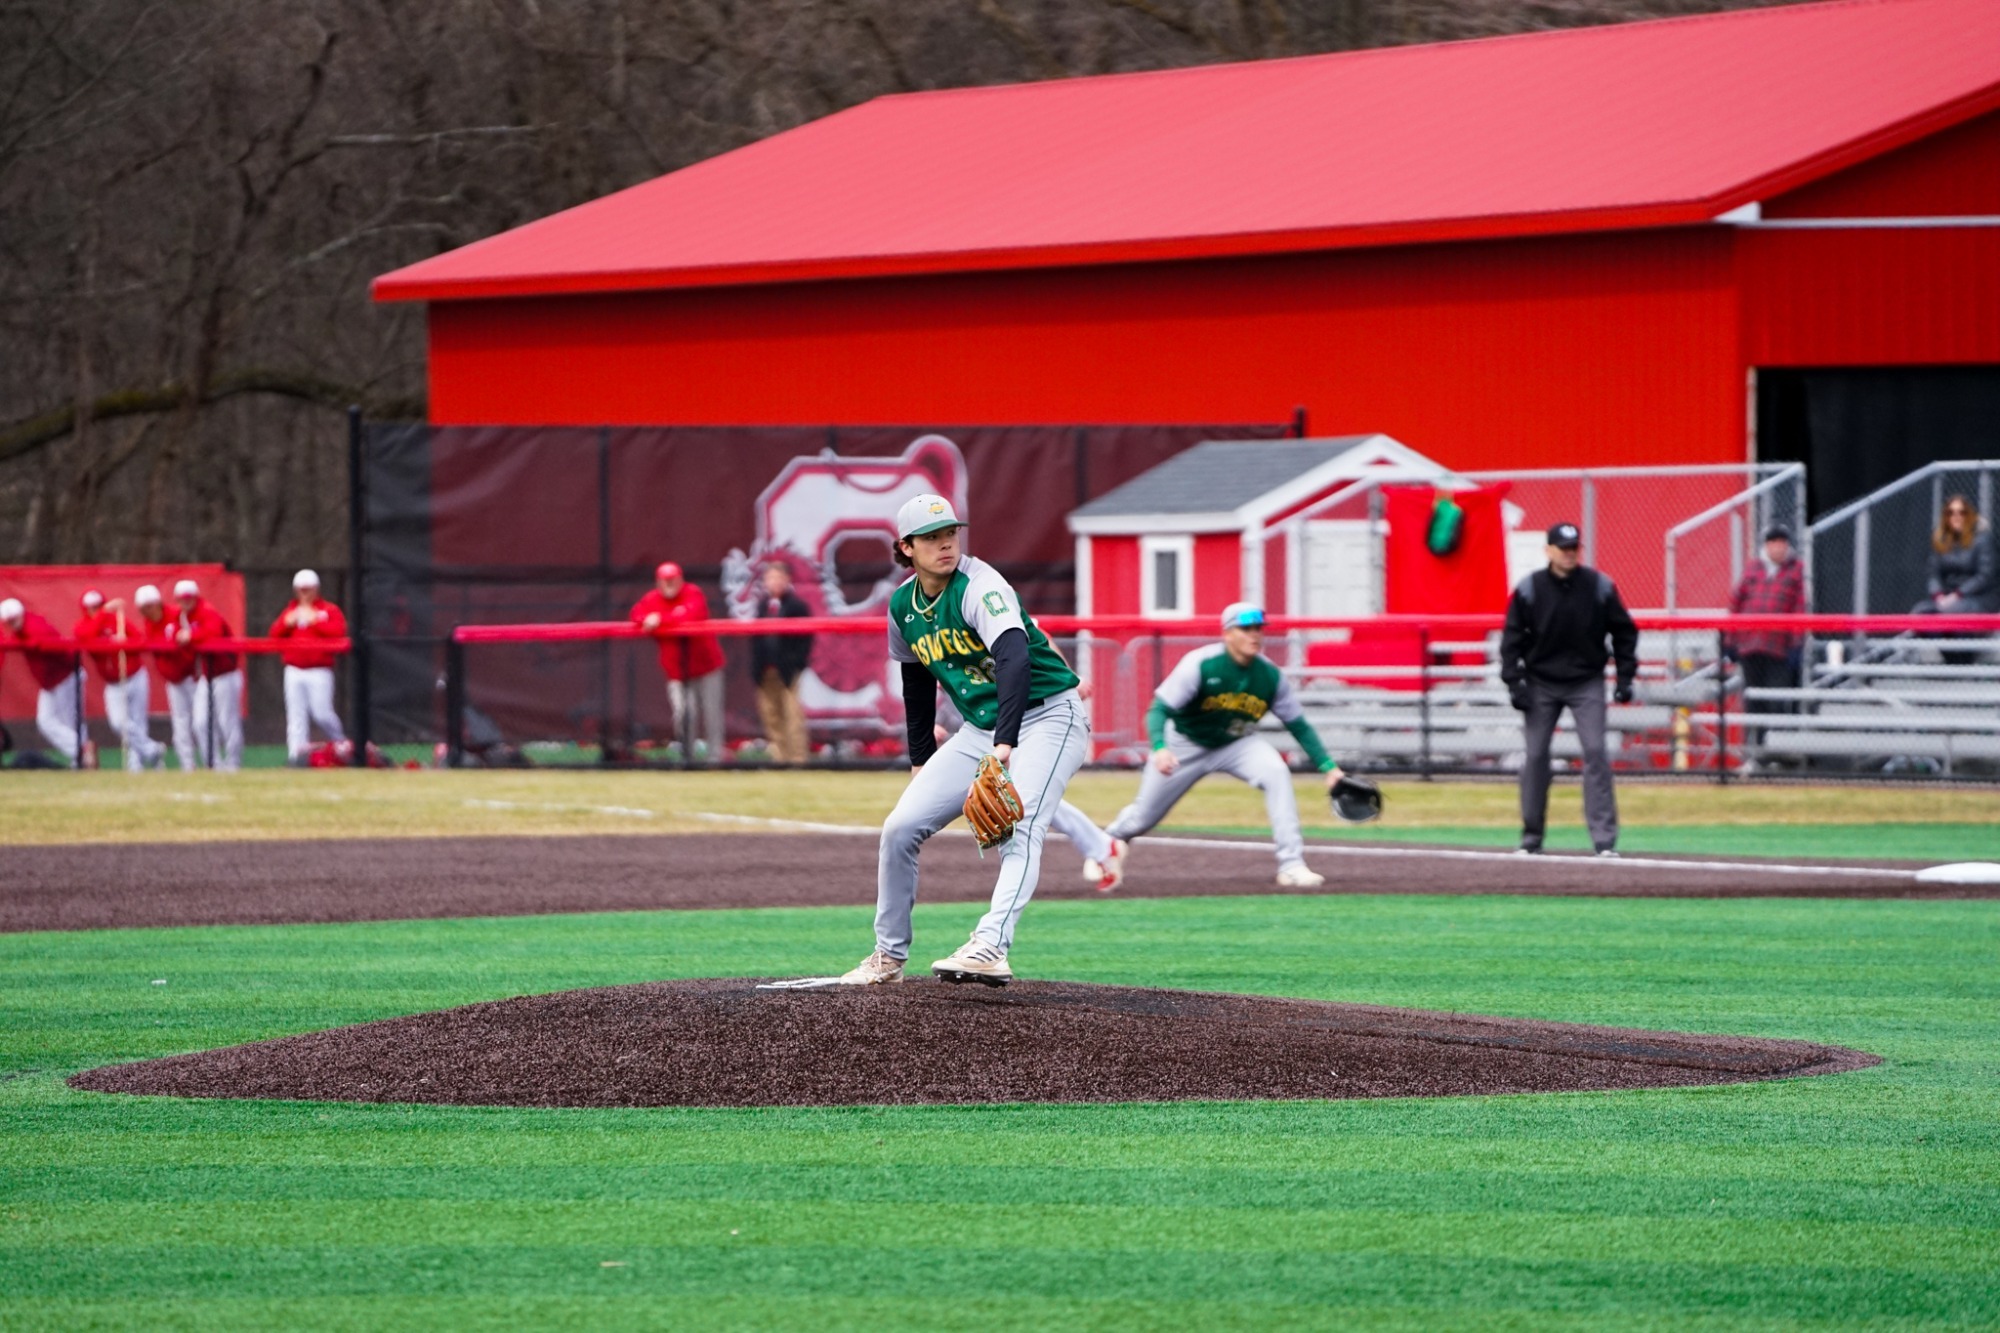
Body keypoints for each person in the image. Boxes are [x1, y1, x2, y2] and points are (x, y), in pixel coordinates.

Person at [841, 494, 1090, 986]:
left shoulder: (981, 584)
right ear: (906, 547)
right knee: (900, 827)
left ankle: (991, 945)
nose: (945, 543)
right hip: (978, 729)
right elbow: (915, 682)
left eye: (950, 532)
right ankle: (888, 957)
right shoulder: (902, 607)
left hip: (1048, 718)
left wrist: (1005, 745)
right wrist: (921, 761)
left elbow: (1014, 659)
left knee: (1021, 826)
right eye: (931, 537)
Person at [1062, 603, 1346, 892]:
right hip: (1184, 743)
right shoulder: (1201, 664)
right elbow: (1158, 710)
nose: (1254, 636)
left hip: (1237, 743)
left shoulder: (1270, 676)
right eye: (1245, 629)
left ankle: (1292, 864)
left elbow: (1298, 724)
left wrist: (1329, 768)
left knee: (1276, 772)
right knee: (1143, 816)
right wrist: (1160, 748)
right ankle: (1105, 844)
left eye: (1258, 629)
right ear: (1227, 633)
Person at [1500, 522, 1638, 857]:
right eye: (1563, 548)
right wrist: (1514, 681)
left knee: (1594, 752)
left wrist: (1624, 677)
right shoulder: (1530, 589)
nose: (1569, 553)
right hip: (1540, 681)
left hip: (1585, 679)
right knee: (1535, 756)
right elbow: (1512, 639)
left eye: (1574, 547)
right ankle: (1531, 838)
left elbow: (1624, 631)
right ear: (1548, 551)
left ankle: (1604, 841)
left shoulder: (1599, 586)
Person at [1723, 524, 1807, 761]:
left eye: (1782, 543)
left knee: (1776, 701)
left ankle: (1777, 754)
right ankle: (1755, 754)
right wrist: (1730, 641)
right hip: (1750, 646)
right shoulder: (1753, 568)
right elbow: (1736, 605)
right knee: (1752, 700)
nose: (1778, 547)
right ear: (1766, 546)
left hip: (1779, 648)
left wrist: (1796, 644)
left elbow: (1799, 610)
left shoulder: (1795, 570)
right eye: (1773, 543)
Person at [632, 562, 726, 760]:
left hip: (707, 666)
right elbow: (636, 613)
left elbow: (691, 615)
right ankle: (687, 758)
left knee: (712, 713)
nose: (669, 585)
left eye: (673, 580)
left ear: (680, 579)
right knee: (683, 714)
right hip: (676, 670)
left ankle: (714, 759)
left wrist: (659, 619)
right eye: (665, 581)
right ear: (658, 582)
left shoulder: (693, 593)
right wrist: (646, 618)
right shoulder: (652, 599)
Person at [77, 588, 164, 771]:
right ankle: (153, 750)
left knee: (138, 722)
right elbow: (87, 638)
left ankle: (137, 764)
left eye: (98, 606)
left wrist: (125, 644)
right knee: (118, 723)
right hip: (113, 683)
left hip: (134, 675)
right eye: (91, 608)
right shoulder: (83, 626)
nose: (95, 610)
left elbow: (140, 641)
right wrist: (103, 617)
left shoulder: (118, 621)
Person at [269, 569, 349, 763]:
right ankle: (296, 757)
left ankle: (343, 746)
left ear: (316, 589)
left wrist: (315, 621)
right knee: (296, 718)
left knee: (322, 713)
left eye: (308, 589)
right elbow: (273, 635)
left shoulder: (328, 610)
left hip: (319, 670)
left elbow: (339, 632)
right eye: (301, 590)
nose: (304, 594)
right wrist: (287, 624)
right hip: (294, 669)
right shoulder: (290, 611)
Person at [0, 596, 84, 764]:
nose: (10, 624)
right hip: (52, 682)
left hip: (65, 677)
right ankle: (81, 753)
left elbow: (60, 650)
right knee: (47, 722)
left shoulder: (34, 627)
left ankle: (81, 754)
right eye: (7, 622)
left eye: (12, 620)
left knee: (67, 722)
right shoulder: (24, 629)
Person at [1916, 494, 1995, 665]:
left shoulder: (1982, 539)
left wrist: (1958, 594)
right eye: (1951, 513)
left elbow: (1985, 576)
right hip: (1946, 599)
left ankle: (1964, 663)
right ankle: (1950, 662)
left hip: (1977, 599)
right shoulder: (1941, 540)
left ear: (1969, 515)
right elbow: (1933, 574)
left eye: (1961, 512)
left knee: (1956, 614)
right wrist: (1938, 595)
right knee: (1921, 612)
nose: (1956, 517)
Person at [175, 579, 244, 772]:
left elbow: (212, 632)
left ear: (196, 597)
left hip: (226, 674)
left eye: (189, 598)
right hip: (208, 676)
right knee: (200, 722)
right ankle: (213, 763)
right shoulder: (183, 617)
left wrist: (191, 636)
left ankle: (233, 763)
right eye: (182, 599)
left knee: (227, 722)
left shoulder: (207, 611)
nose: (185, 602)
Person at [749, 562, 813, 764]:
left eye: (778, 577)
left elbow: (805, 639)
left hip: (787, 671)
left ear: (787, 580)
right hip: (765, 670)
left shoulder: (797, 606)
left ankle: (797, 758)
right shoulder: (762, 606)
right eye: (770, 578)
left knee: (792, 714)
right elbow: (756, 638)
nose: (774, 582)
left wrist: (796, 663)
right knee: (770, 713)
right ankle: (780, 755)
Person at [136, 585, 200, 770]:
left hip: (191, 676)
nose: (146, 611)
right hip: (173, 680)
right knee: (180, 723)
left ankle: (212, 762)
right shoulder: (149, 624)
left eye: (149, 606)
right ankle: (188, 765)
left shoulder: (177, 615)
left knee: (201, 722)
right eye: (143, 608)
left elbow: (189, 641)